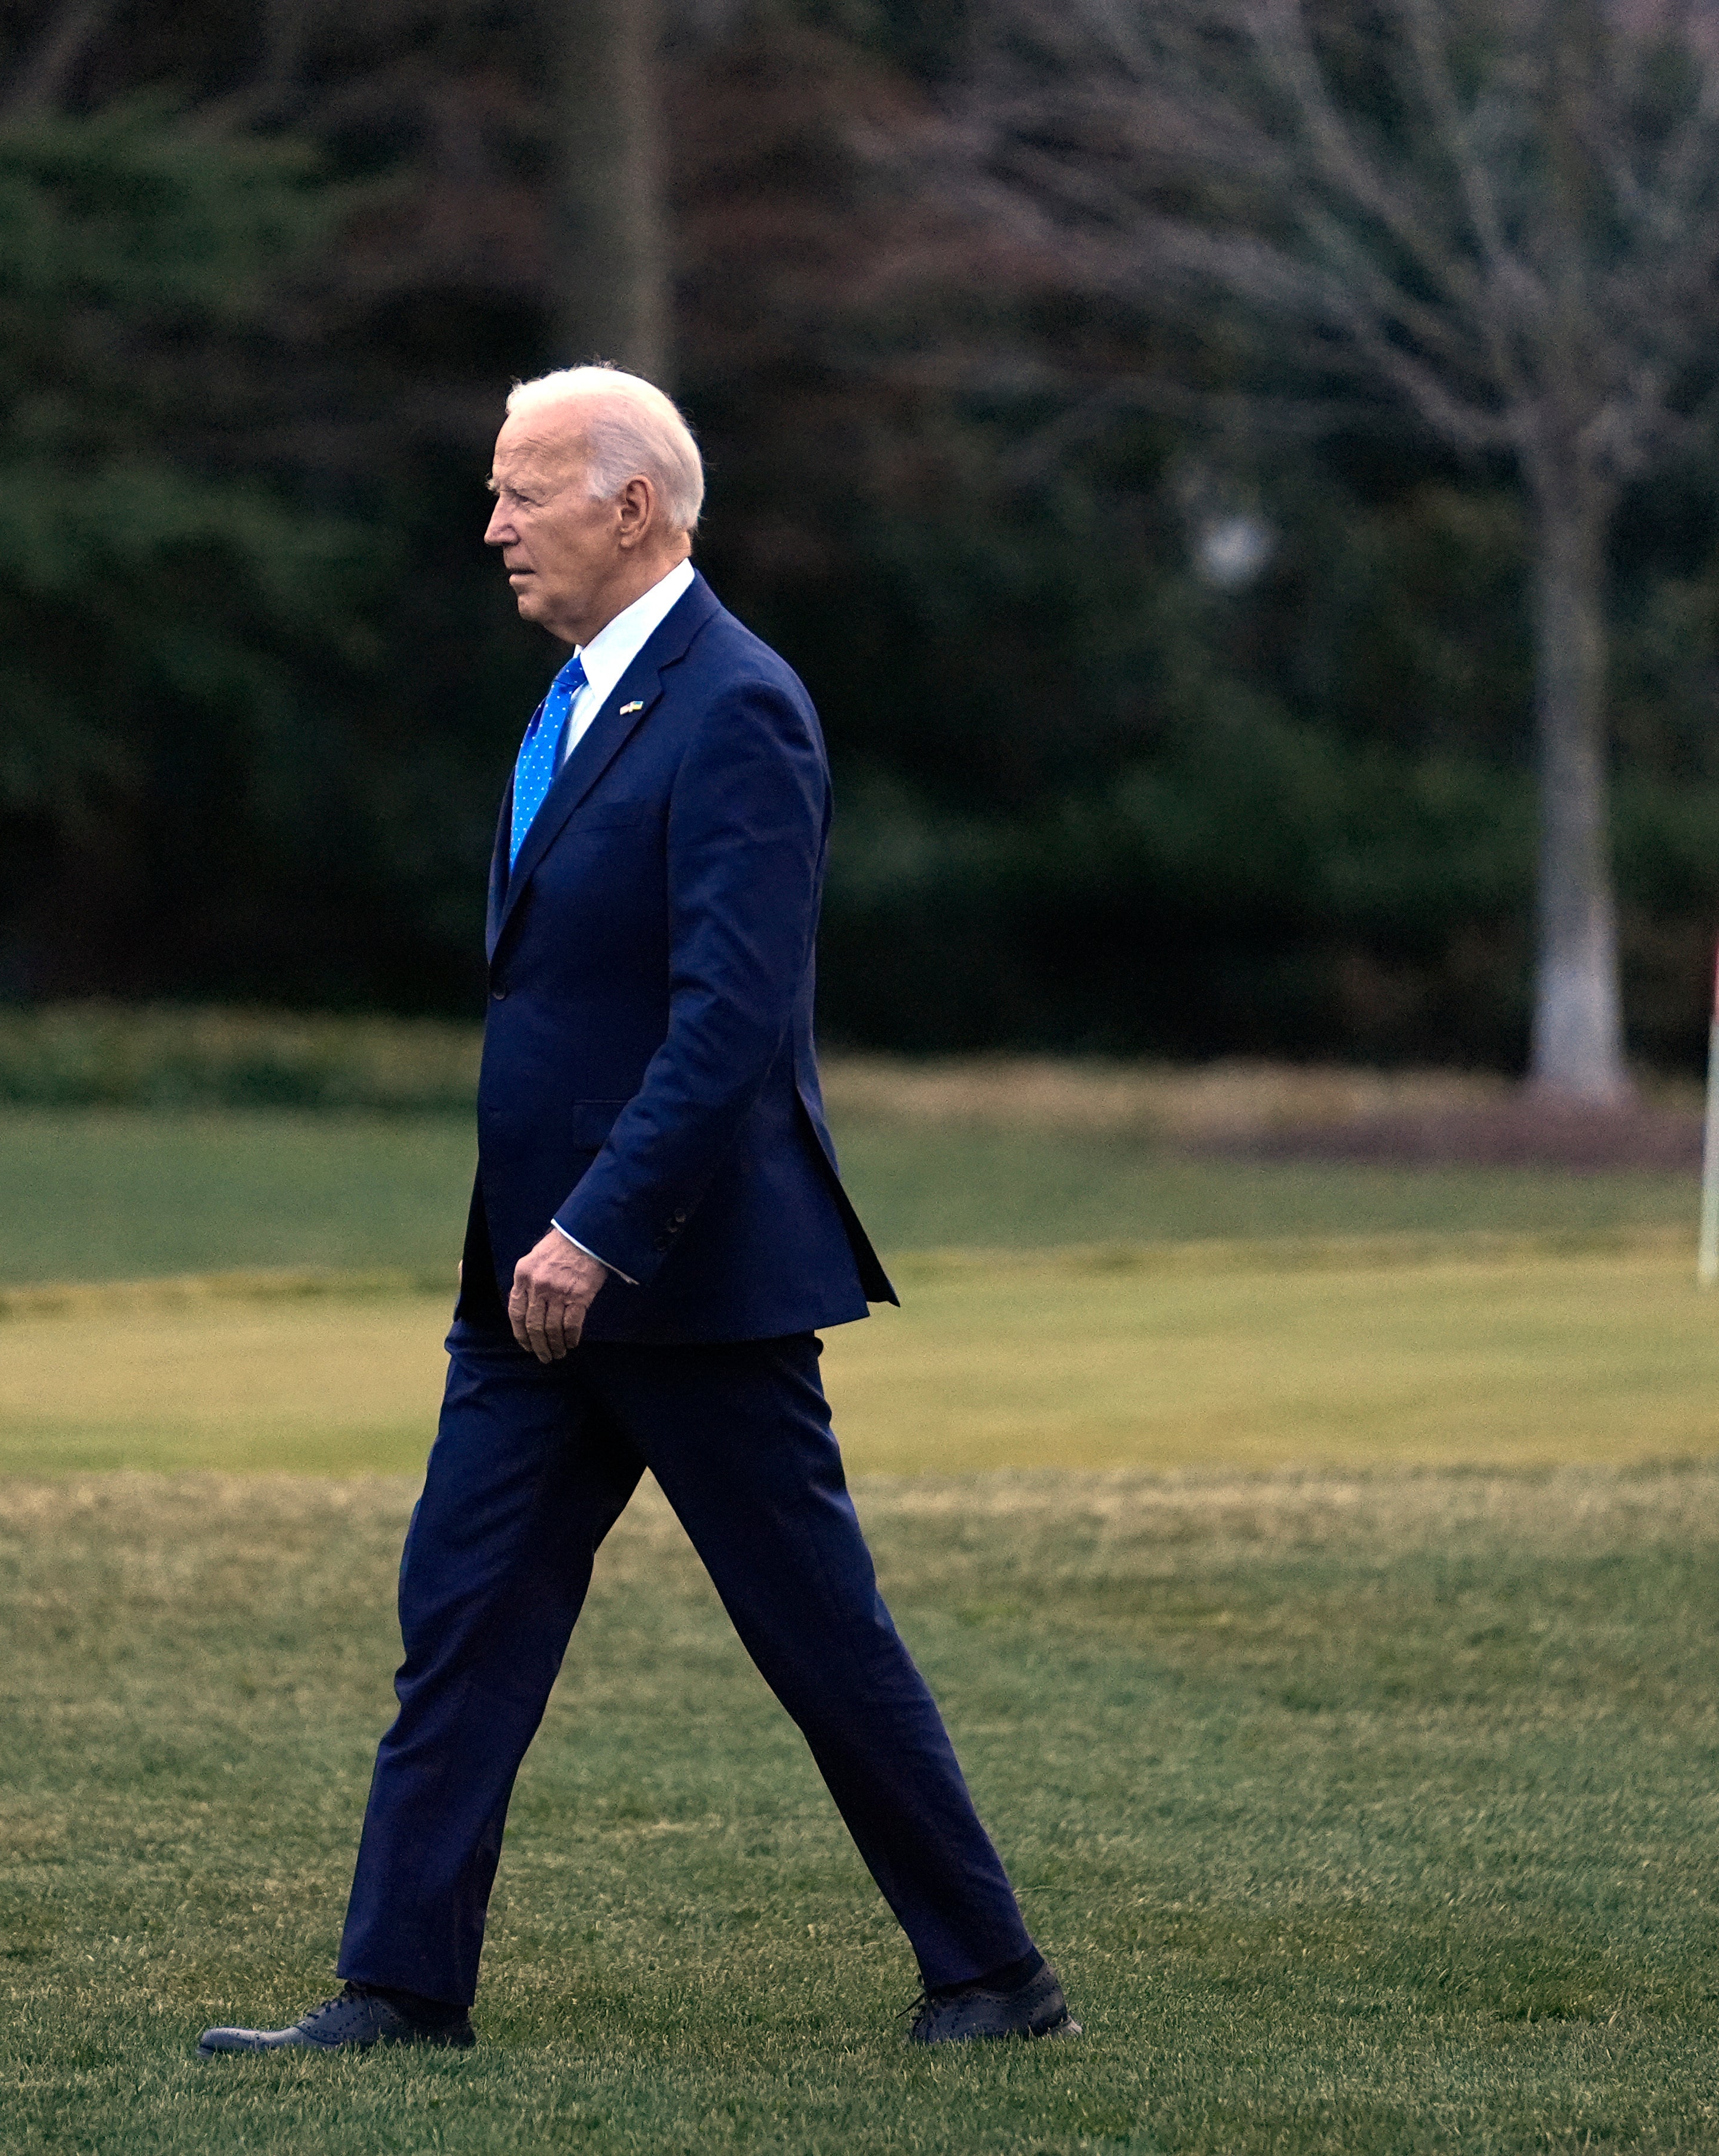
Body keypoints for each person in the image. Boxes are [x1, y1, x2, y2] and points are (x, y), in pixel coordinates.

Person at [199, 367, 1073, 2055]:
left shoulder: (740, 704)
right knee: (460, 1620)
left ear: (632, 508)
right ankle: (398, 1993)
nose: (493, 525)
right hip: (525, 1282)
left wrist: (598, 1226)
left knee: (818, 1636)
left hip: (683, 1278)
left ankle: (994, 1975)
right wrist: (542, 1240)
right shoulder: (575, 705)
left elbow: (731, 1020)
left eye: (522, 492)